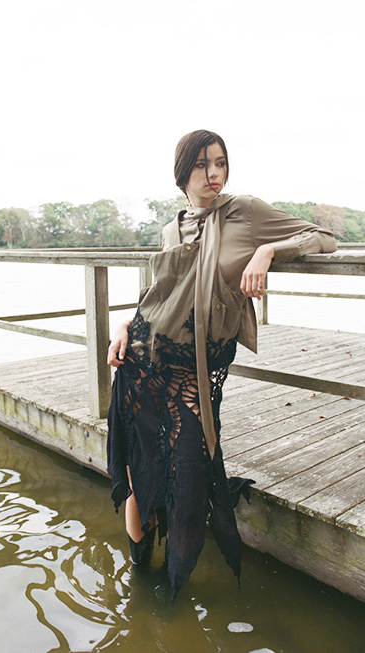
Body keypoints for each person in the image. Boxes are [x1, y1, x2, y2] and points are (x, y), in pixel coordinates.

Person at [105, 129, 336, 600]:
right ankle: (139, 578)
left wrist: (269, 251)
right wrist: (125, 326)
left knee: (188, 486)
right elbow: (159, 297)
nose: (213, 174)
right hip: (141, 366)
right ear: (181, 173)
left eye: (220, 163)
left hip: (192, 377)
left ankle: (171, 595)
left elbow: (324, 237)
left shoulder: (243, 212)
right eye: (201, 165)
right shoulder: (172, 229)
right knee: (140, 478)